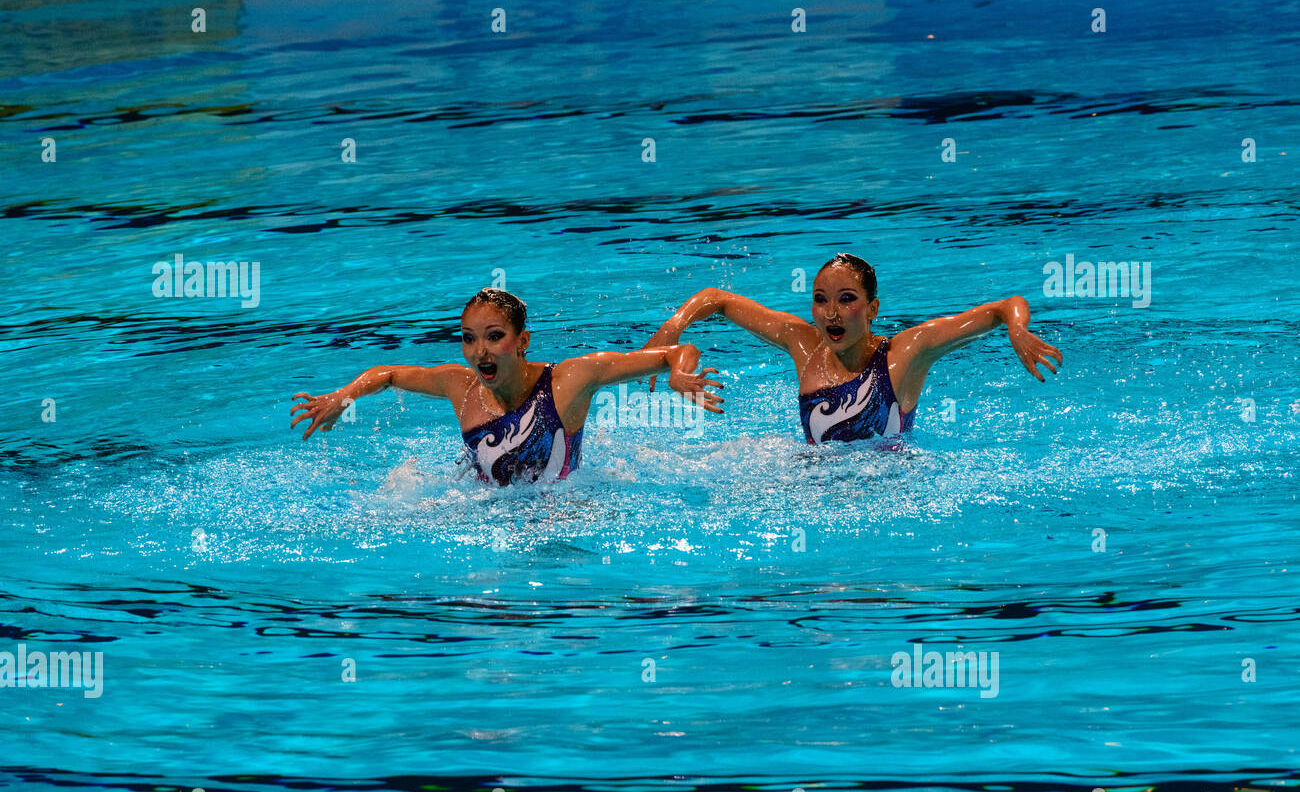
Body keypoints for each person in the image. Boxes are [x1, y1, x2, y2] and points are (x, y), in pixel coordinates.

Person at [291, 288, 723, 485]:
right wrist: (340, 397)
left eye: (494, 336)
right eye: (468, 338)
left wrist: (679, 374)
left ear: (522, 342)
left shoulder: (568, 380)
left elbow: (677, 350)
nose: (480, 351)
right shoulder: (460, 386)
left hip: (561, 512)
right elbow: (386, 374)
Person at [642, 253, 1061, 444]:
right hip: (814, 489)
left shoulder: (904, 354)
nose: (831, 313)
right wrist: (674, 325)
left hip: (890, 498)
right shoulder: (804, 346)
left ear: (872, 308)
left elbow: (1004, 306)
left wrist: (1017, 330)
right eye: (821, 299)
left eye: (846, 299)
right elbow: (719, 298)